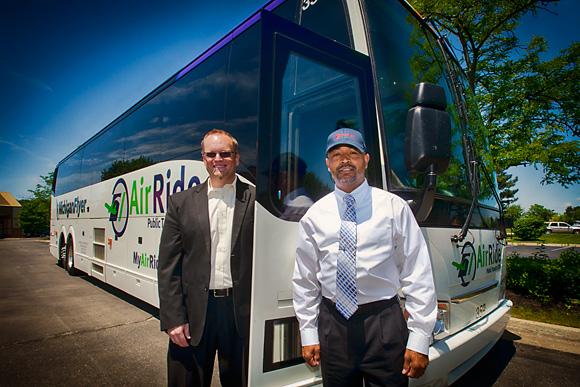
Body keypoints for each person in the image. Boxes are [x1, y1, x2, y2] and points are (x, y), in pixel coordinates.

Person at [292, 128, 437, 386]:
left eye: (353, 153)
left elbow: (417, 271)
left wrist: (419, 338)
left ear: (366, 159)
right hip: (333, 326)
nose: (344, 160)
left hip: (383, 323)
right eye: (336, 155)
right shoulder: (314, 215)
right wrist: (308, 333)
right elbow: (305, 280)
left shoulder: (394, 207)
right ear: (328, 164)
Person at [158, 129, 255, 387]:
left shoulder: (257, 200)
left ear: (236, 157)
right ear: (203, 158)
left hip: (240, 315)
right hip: (193, 314)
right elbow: (168, 266)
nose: (217, 159)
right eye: (211, 154)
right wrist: (173, 319)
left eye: (224, 153)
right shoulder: (180, 203)